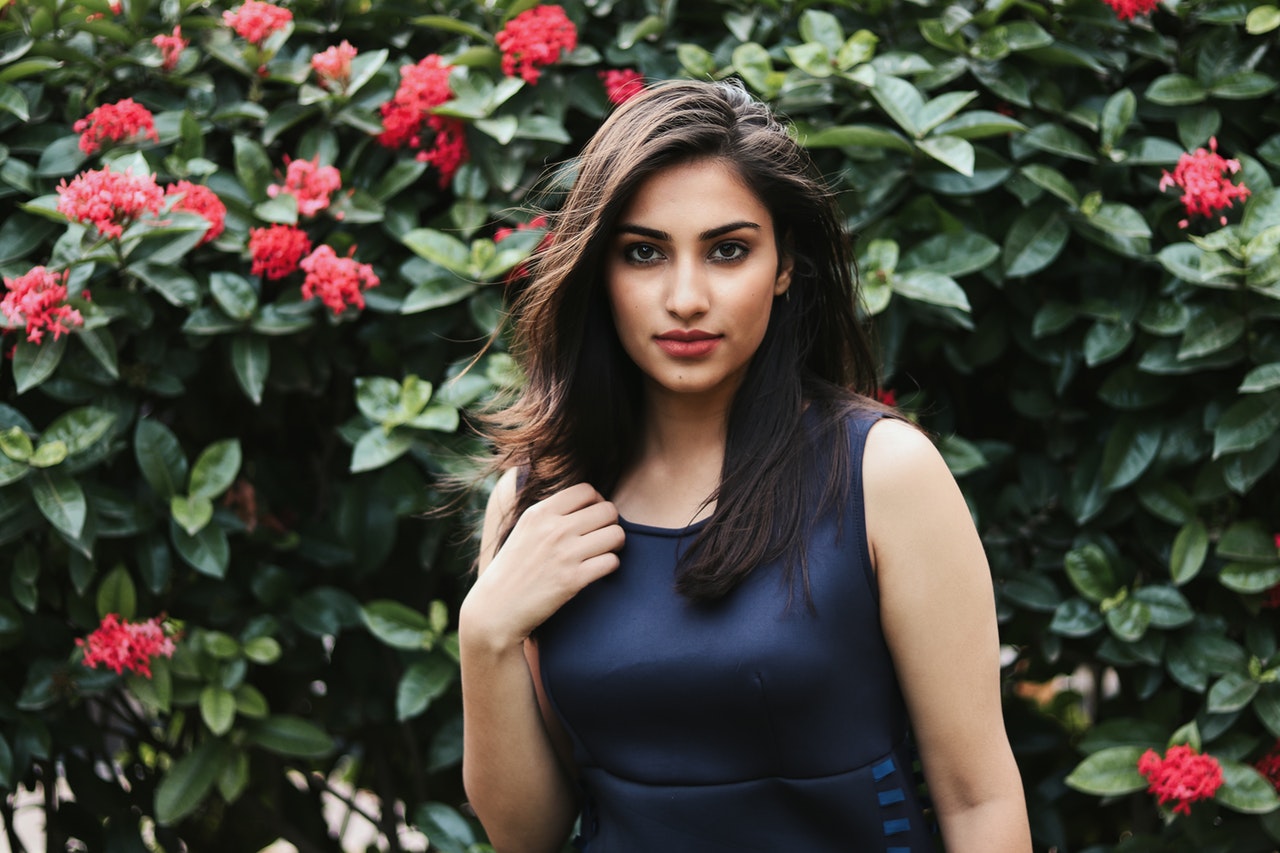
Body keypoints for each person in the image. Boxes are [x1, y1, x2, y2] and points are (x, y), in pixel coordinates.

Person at [458, 78, 1031, 853]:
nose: (686, 296)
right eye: (643, 253)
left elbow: (979, 800)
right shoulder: (538, 501)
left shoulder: (884, 476)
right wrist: (485, 633)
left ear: (785, 265)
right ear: (601, 271)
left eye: (728, 250)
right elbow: (525, 835)